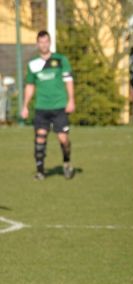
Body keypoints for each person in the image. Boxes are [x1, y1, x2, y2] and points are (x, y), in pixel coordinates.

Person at [21, 30, 75, 181]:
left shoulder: (60, 60)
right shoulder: (33, 64)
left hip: (59, 107)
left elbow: (68, 81)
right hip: (41, 108)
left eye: (46, 41)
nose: (44, 44)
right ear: (37, 44)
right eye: (41, 42)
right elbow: (30, 86)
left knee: (63, 139)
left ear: (49, 43)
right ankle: (40, 171)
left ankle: (66, 164)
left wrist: (71, 100)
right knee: (40, 139)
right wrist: (25, 105)